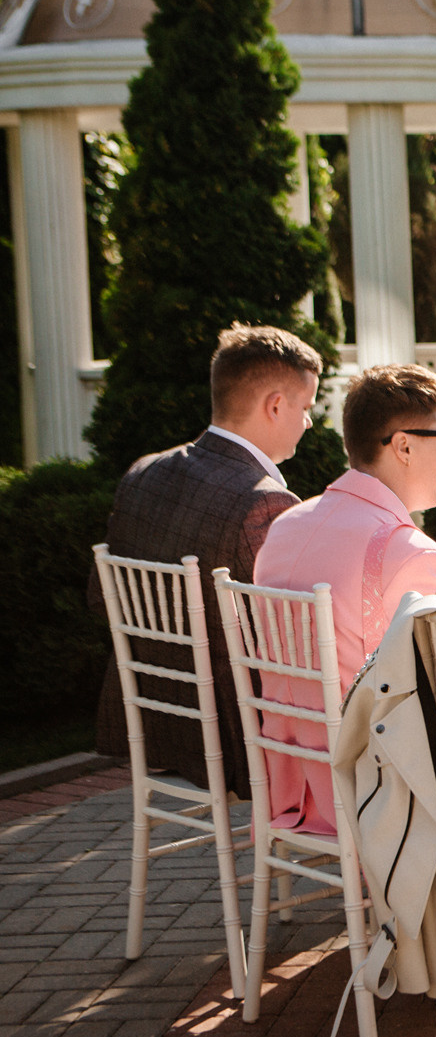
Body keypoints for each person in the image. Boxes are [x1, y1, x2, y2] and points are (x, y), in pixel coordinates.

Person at [90, 324, 323, 798]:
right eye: (306, 408)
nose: (309, 423)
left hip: (153, 723)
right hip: (234, 742)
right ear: (276, 405)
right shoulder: (265, 501)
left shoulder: (142, 473)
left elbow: (100, 600)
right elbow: (291, 651)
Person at [253, 364, 436, 835]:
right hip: (371, 791)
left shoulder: (285, 526)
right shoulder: (408, 552)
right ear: (403, 445)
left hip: (291, 776)